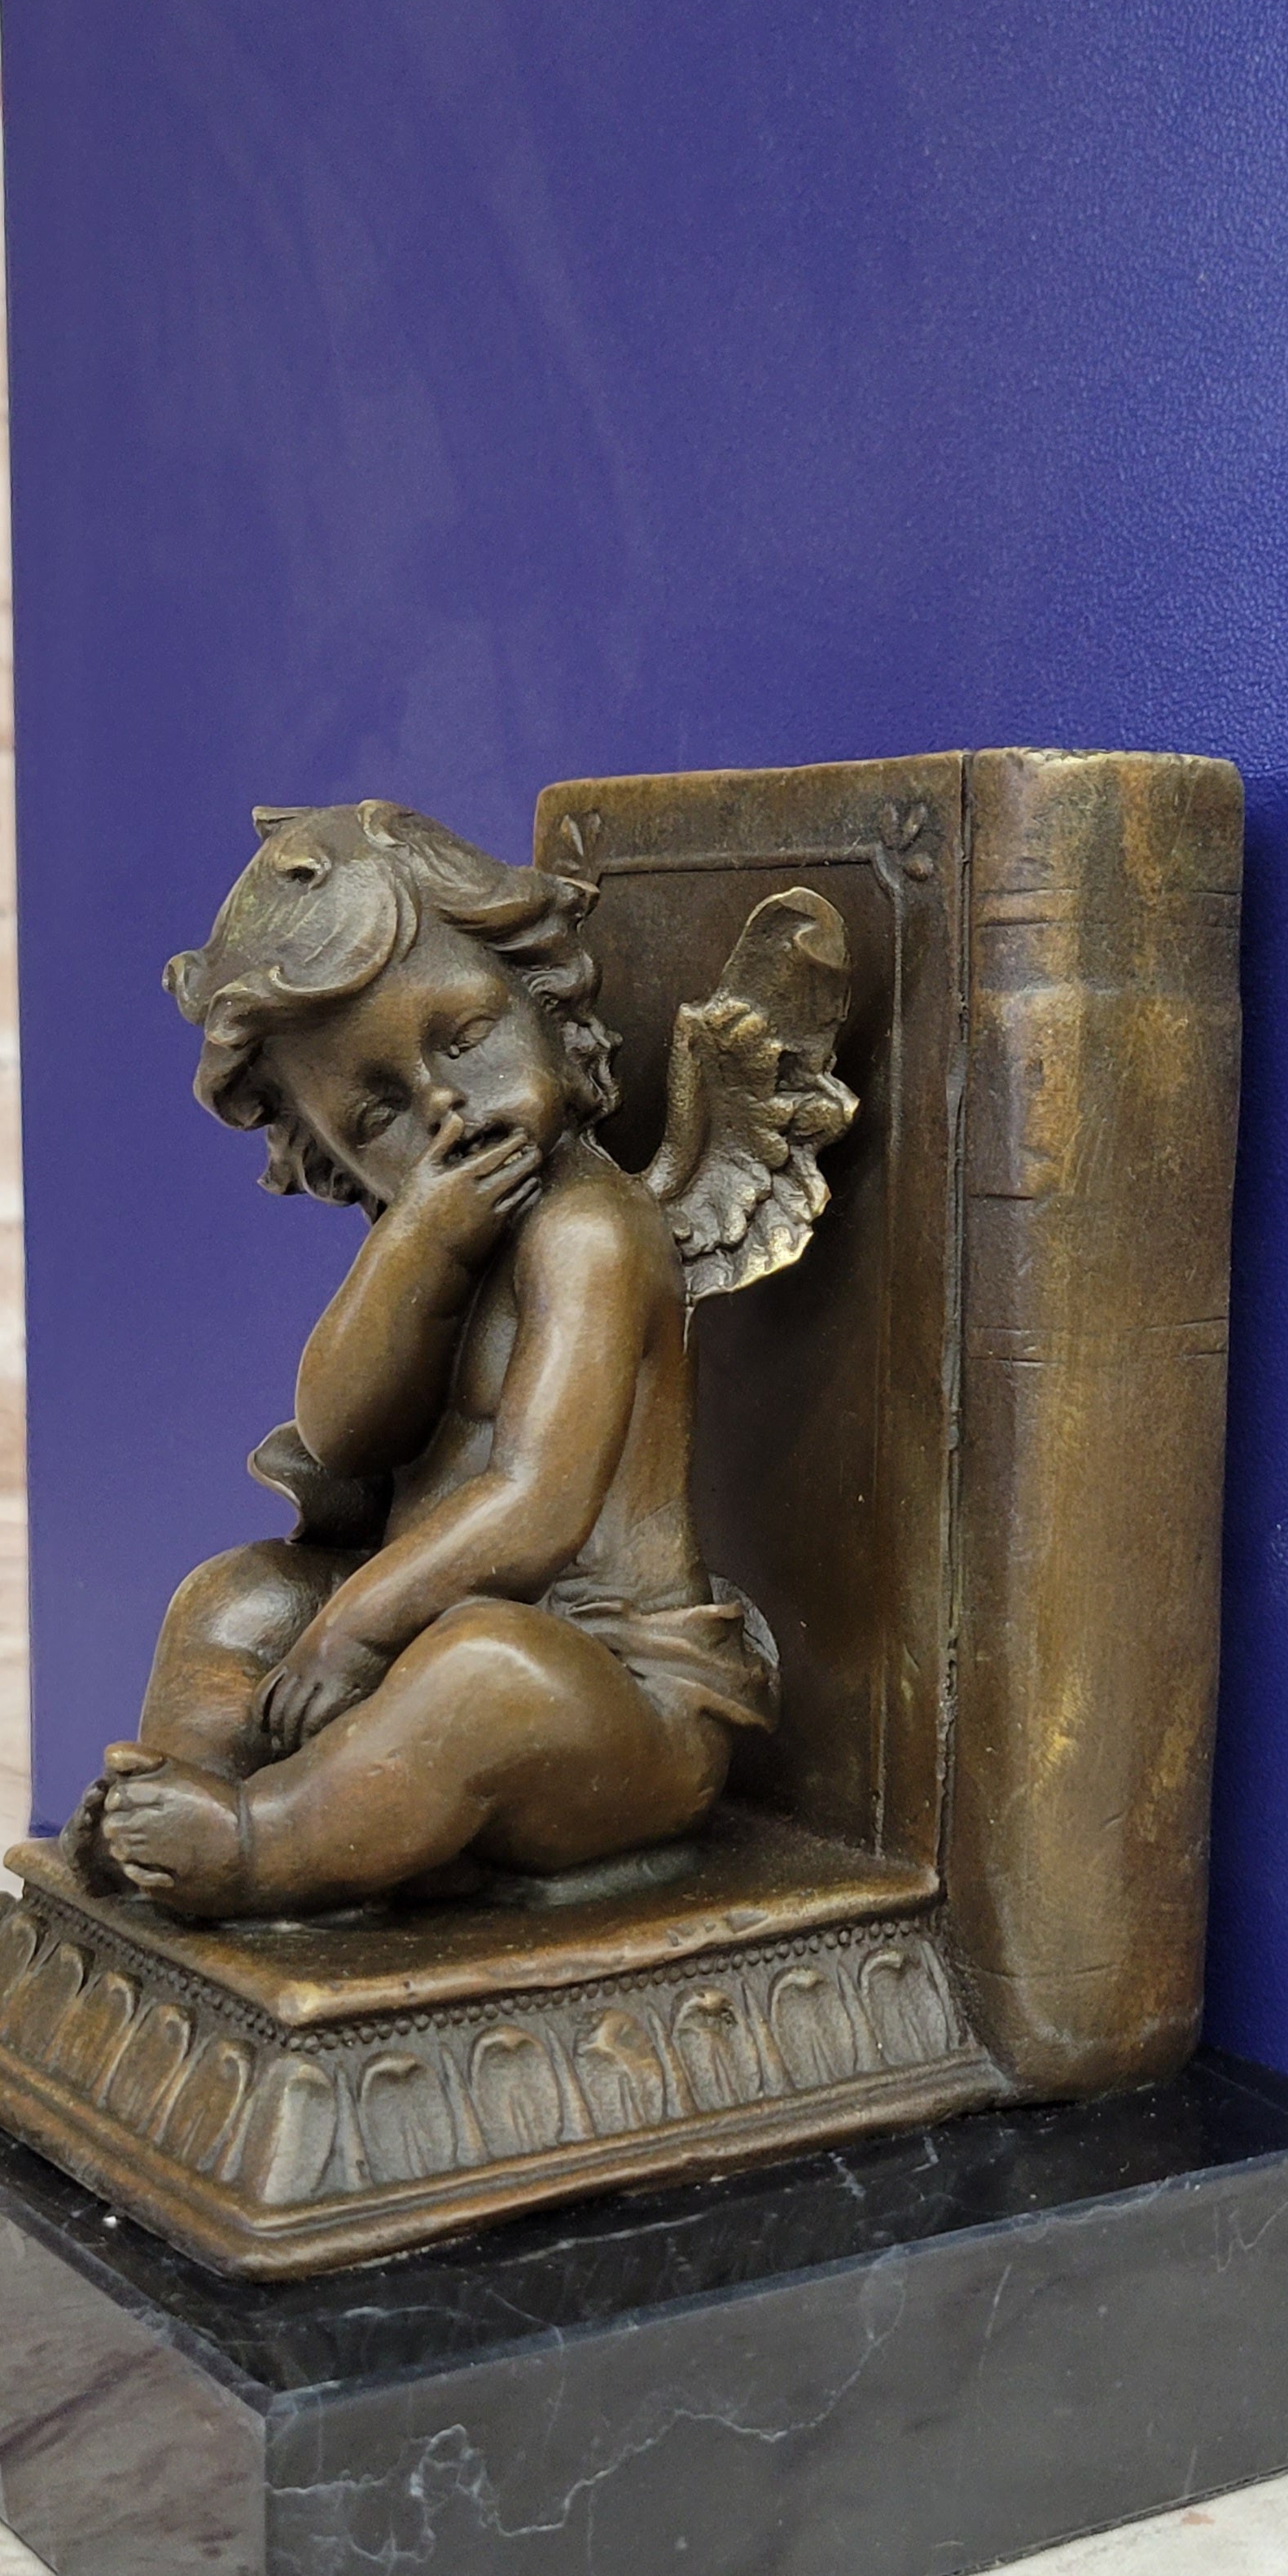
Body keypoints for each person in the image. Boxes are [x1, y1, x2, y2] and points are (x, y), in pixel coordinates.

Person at [68, 801, 775, 1920]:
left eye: (466, 1036)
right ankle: (176, 1803)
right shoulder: (436, 1231)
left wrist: (354, 1630)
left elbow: (538, 1503)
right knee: (237, 1599)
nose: (444, 1106)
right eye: (377, 1113)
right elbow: (344, 1434)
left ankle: (255, 1847)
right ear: (326, 1154)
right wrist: (420, 1247)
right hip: (422, 1638)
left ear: (546, 999)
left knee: (484, 1674)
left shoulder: (592, 1232)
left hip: (621, 1702)